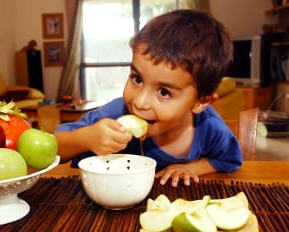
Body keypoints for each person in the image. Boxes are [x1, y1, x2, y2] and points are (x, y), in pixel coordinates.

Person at [54, 9, 241, 187]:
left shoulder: (209, 128)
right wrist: (86, 138)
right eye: (137, 79)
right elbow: (53, 149)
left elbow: (230, 159)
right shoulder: (114, 114)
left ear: (200, 102)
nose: (139, 102)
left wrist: (190, 168)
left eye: (164, 92)